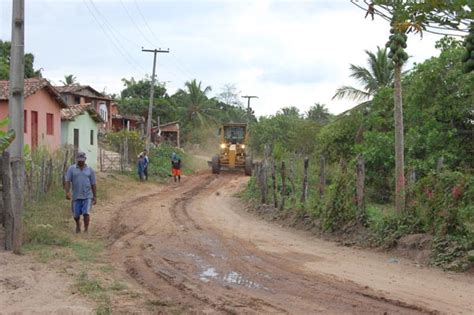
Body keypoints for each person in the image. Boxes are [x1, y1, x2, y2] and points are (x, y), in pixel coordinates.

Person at [65, 152, 97, 233]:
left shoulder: (90, 170)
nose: (80, 162)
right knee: (76, 215)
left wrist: (95, 196)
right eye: (79, 160)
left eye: (82, 160)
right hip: (76, 195)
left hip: (87, 195)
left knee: (86, 213)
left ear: (85, 159)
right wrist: (67, 192)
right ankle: (78, 225)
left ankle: (86, 229)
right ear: (76, 160)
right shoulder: (71, 169)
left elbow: (93, 183)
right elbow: (67, 181)